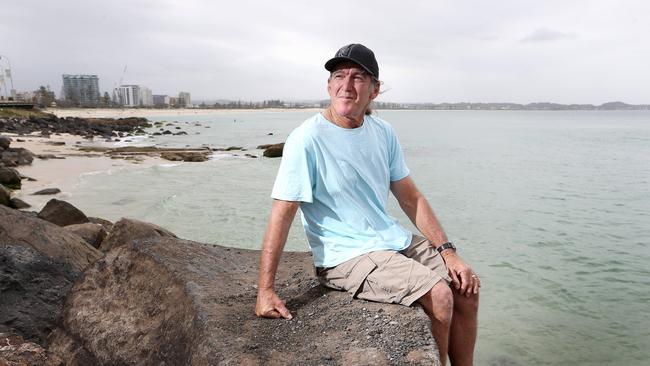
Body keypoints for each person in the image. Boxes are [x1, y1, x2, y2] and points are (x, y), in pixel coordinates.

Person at [256, 43, 479, 365]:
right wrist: (265, 290)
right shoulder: (307, 139)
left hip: (390, 240)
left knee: (467, 288)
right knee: (440, 294)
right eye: (339, 76)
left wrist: (449, 252)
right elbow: (282, 213)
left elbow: (410, 197)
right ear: (329, 85)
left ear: (374, 90)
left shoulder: (382, 131)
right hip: (346, 254)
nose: (347, 86)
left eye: (358, 77)